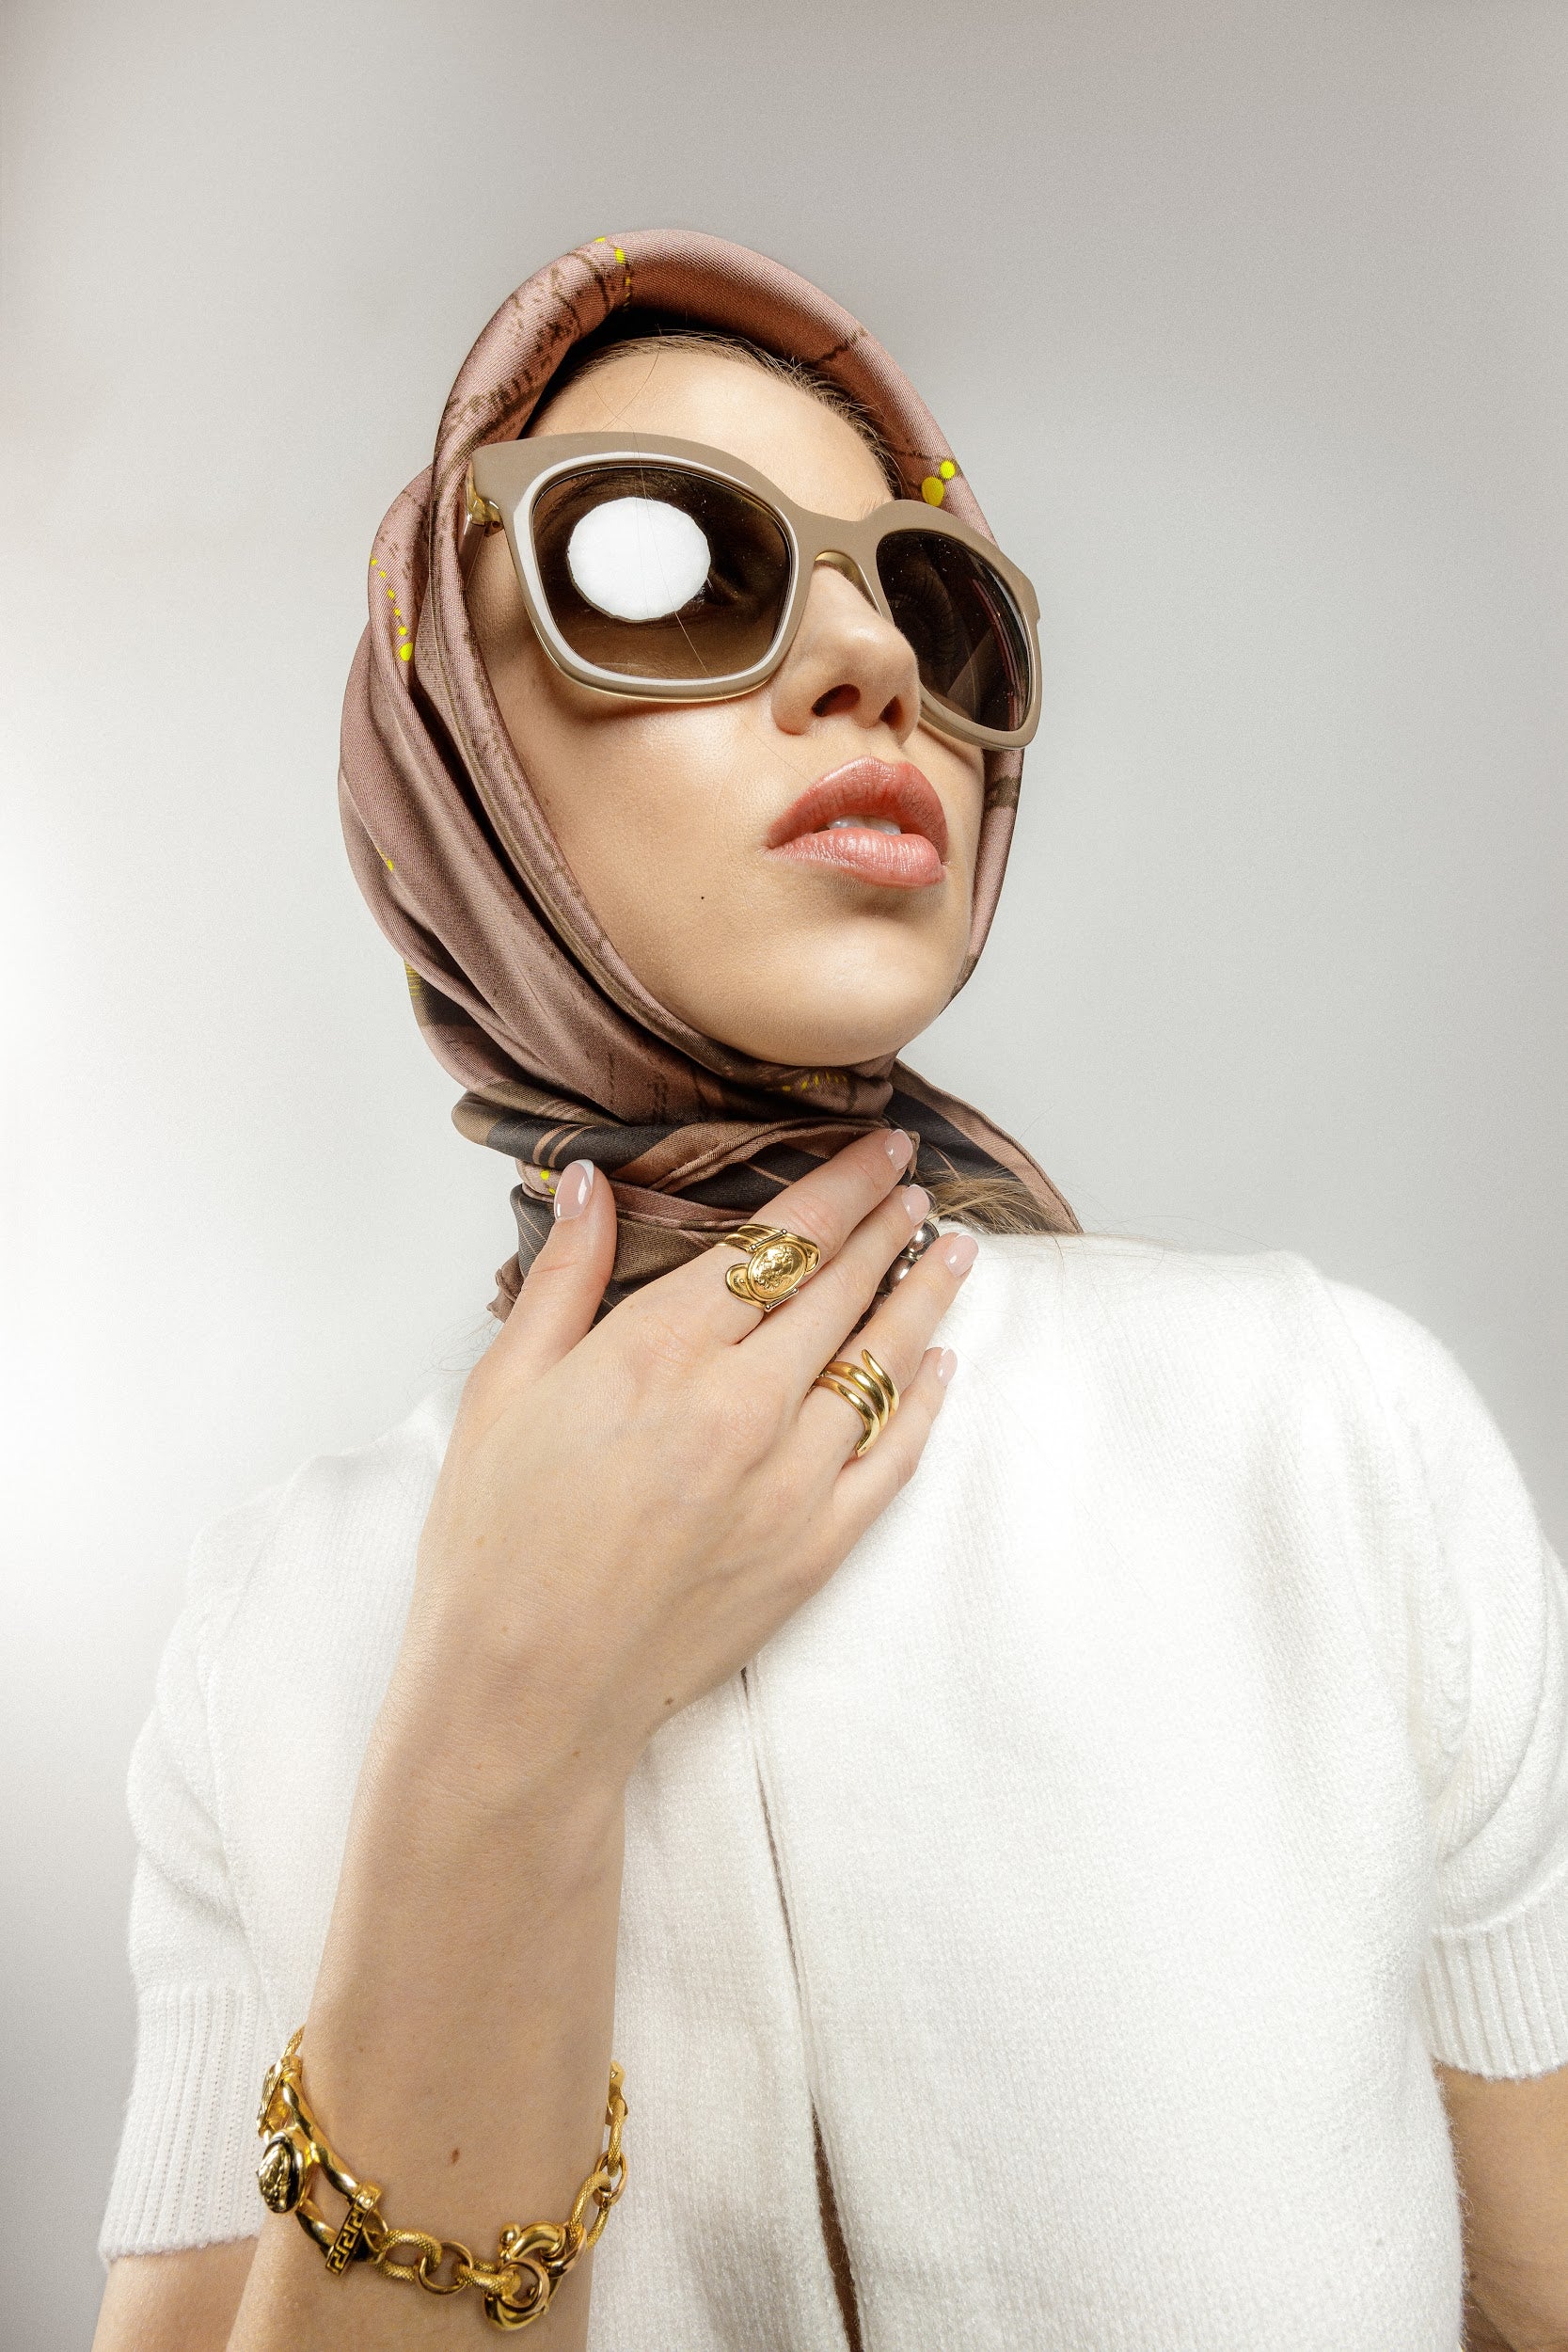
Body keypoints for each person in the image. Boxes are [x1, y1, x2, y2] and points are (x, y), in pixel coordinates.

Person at [92, 231, 1568, 2352]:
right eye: (672, 563)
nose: (871, 661)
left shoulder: (1329, 1437)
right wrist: (505, 1715)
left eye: (934, 599)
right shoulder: (273, 1632)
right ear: (448, 763)